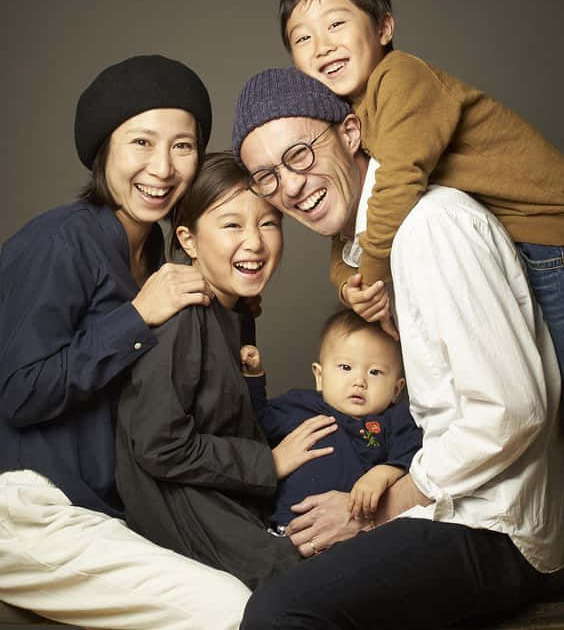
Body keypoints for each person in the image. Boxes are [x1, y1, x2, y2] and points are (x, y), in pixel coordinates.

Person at [231, 67, 564, 629]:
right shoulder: (374, 253)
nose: (288, 186)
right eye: (265, 176)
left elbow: (512, 411)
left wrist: (376, 511)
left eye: (300, 155)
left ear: (351, 133)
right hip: (451, 510)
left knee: (277, 614)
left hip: (495, 528)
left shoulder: (431, 226)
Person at [0, 55, 251, 630]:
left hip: (106, 511)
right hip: (30, 506)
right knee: (232, 610)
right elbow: (17, 391)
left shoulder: (158, 259)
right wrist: (137, 317)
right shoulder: (62, 240)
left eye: (183, 146)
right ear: (103, 152)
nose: (162, 168)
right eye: (141, 142)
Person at [278, 0, 564, 374]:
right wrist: (349, 286)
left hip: (547, 236)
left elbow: (398, 180)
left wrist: (374, 275)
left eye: (336, 24)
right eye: (302, 38)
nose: (322, 46)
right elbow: (350, 226)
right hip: (507, 246)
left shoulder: (401, 78)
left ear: (383, 28)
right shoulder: (346, 119)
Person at [115, 151, 338, 590]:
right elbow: (159, 445)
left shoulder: (233, 309)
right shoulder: (182, 312)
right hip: (180, 505)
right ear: (190, 240)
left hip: (223, 492)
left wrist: (253, 381)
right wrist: (268, 464)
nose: (254, 242)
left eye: (269, 222)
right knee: (308, 589)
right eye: (232, 224)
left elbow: (224, 414)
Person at [242, 308, 421, 529]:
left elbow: (414, 452)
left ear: (396, 389)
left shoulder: (395, 419)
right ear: (320, 376)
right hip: (283, 527)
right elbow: (256, 421)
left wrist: (382, 474)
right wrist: (253, 377)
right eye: (346, 367)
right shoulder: (300, 404)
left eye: (375, 372)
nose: (359, 381)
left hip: (349, 534)